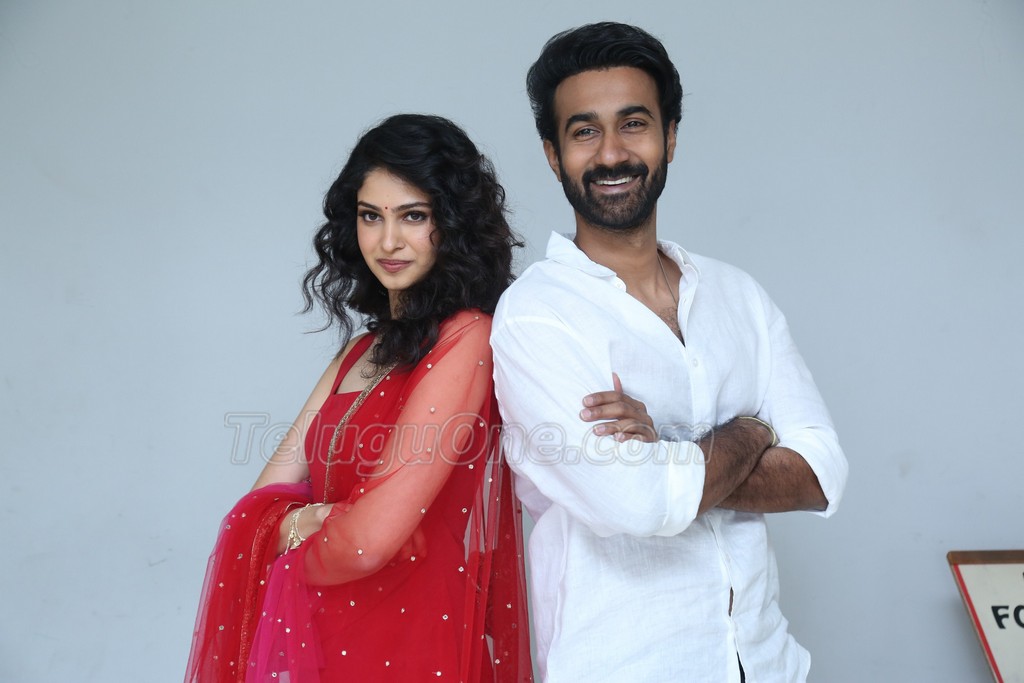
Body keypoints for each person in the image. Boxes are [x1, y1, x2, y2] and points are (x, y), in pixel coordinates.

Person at [490, 22, 849, 682]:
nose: (611, 153)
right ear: (552, 154)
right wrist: (754, 429)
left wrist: (667, 448)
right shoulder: (536, 316)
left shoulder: (739, 296)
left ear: (671, 137)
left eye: (634, 124)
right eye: (584, 131)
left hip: (768, 663)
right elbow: (638, 502)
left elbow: (821, 473)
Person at [186, 114, 532, 683]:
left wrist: (291, 529)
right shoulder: (357, 353)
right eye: (371, 216)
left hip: (413, 648)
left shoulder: (467, 337)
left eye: (414, 216)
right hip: (320, 646)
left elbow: (366, 544)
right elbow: (251, 509)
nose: (388, 241)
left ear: (454, 224)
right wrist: (315, 520)